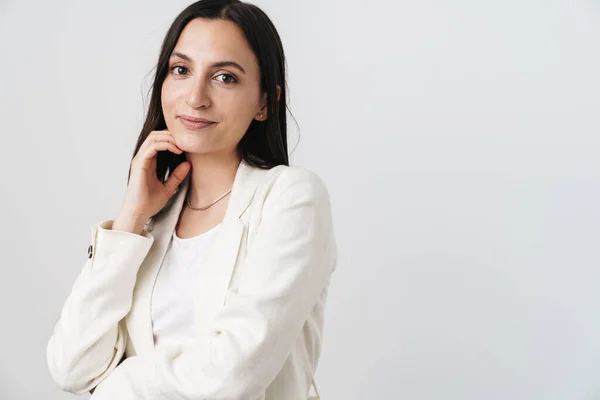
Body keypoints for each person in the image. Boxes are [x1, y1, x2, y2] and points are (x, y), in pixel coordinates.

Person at [45, 0, 337, 399]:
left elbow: (232, 376)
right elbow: (72, 366)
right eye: (181, 70)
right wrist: (130, 221)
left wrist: (117, 385)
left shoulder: (291, 199)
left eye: (225, 77)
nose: (196, 96)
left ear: (265, 102)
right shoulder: (153, 222)